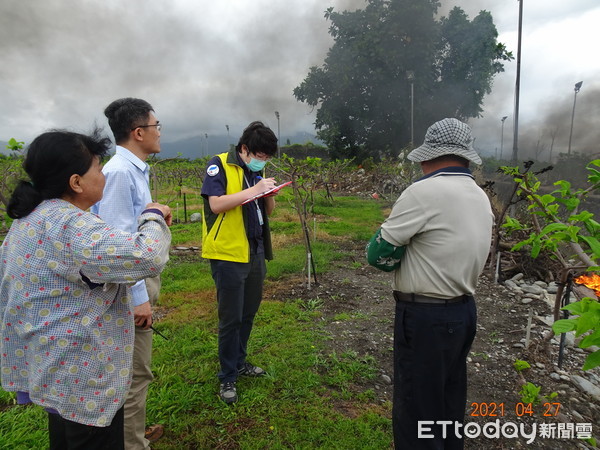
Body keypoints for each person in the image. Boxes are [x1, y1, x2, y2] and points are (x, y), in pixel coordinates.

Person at [0, 129, 172, 450]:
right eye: (97, 166)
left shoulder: (29, 219)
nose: (103, 174)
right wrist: (153, 216)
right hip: (85, 381)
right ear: (76, 182)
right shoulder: (72, 226)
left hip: (53, 369)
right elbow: (146, 257)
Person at [367, 118, 493, 449]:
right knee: (448, 403)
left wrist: (400, 254)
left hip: (425, 318)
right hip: (463, 313)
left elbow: (377, 252)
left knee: (416, 409)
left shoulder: (423, 192)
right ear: (465, 158)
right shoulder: (480, 197)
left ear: (427, 157)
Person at [91, 98, 164, 449]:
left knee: (135, 371)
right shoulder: (120, 173)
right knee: (135, 374)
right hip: (128, 289)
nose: (159, 131)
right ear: (138, 132)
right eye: (155, 125)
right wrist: (138, 300)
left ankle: (131, 435)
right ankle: (132, 445)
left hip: (134, 283)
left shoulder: (134, 169)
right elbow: (119, 249)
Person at [201, 121, 279, 404]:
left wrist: (268, 195)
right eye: (260, 156)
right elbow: (216, 204)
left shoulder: (256, 173)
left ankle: (239, 362)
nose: (263, 162)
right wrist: (254, 190)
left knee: (248, 313)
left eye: (267, 158)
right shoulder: (219, 165)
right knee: (230, 318)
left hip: (255, 251)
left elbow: (266, 209)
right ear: (245, 149)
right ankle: (227, 377)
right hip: (228, 254)